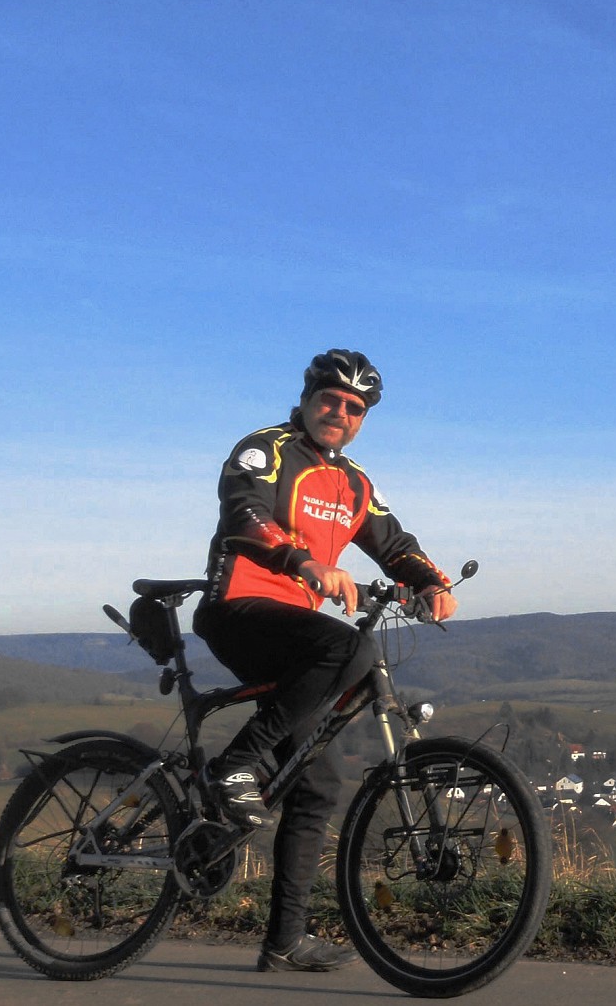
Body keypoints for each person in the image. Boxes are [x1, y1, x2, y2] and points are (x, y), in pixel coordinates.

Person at [193, 347, 457, 973]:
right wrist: (303, 561)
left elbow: (393, 542)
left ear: (363, 418)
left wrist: (430, 582)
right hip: (240, 608)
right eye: (330, 399)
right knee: (346, 646)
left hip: (299, 628)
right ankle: (235, 766)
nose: (340, 412)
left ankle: (283, 940)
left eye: (354, 407)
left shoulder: (354, 483)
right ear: (309, 397)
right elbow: (245, 514)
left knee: (315, 785)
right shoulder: (267, 449)